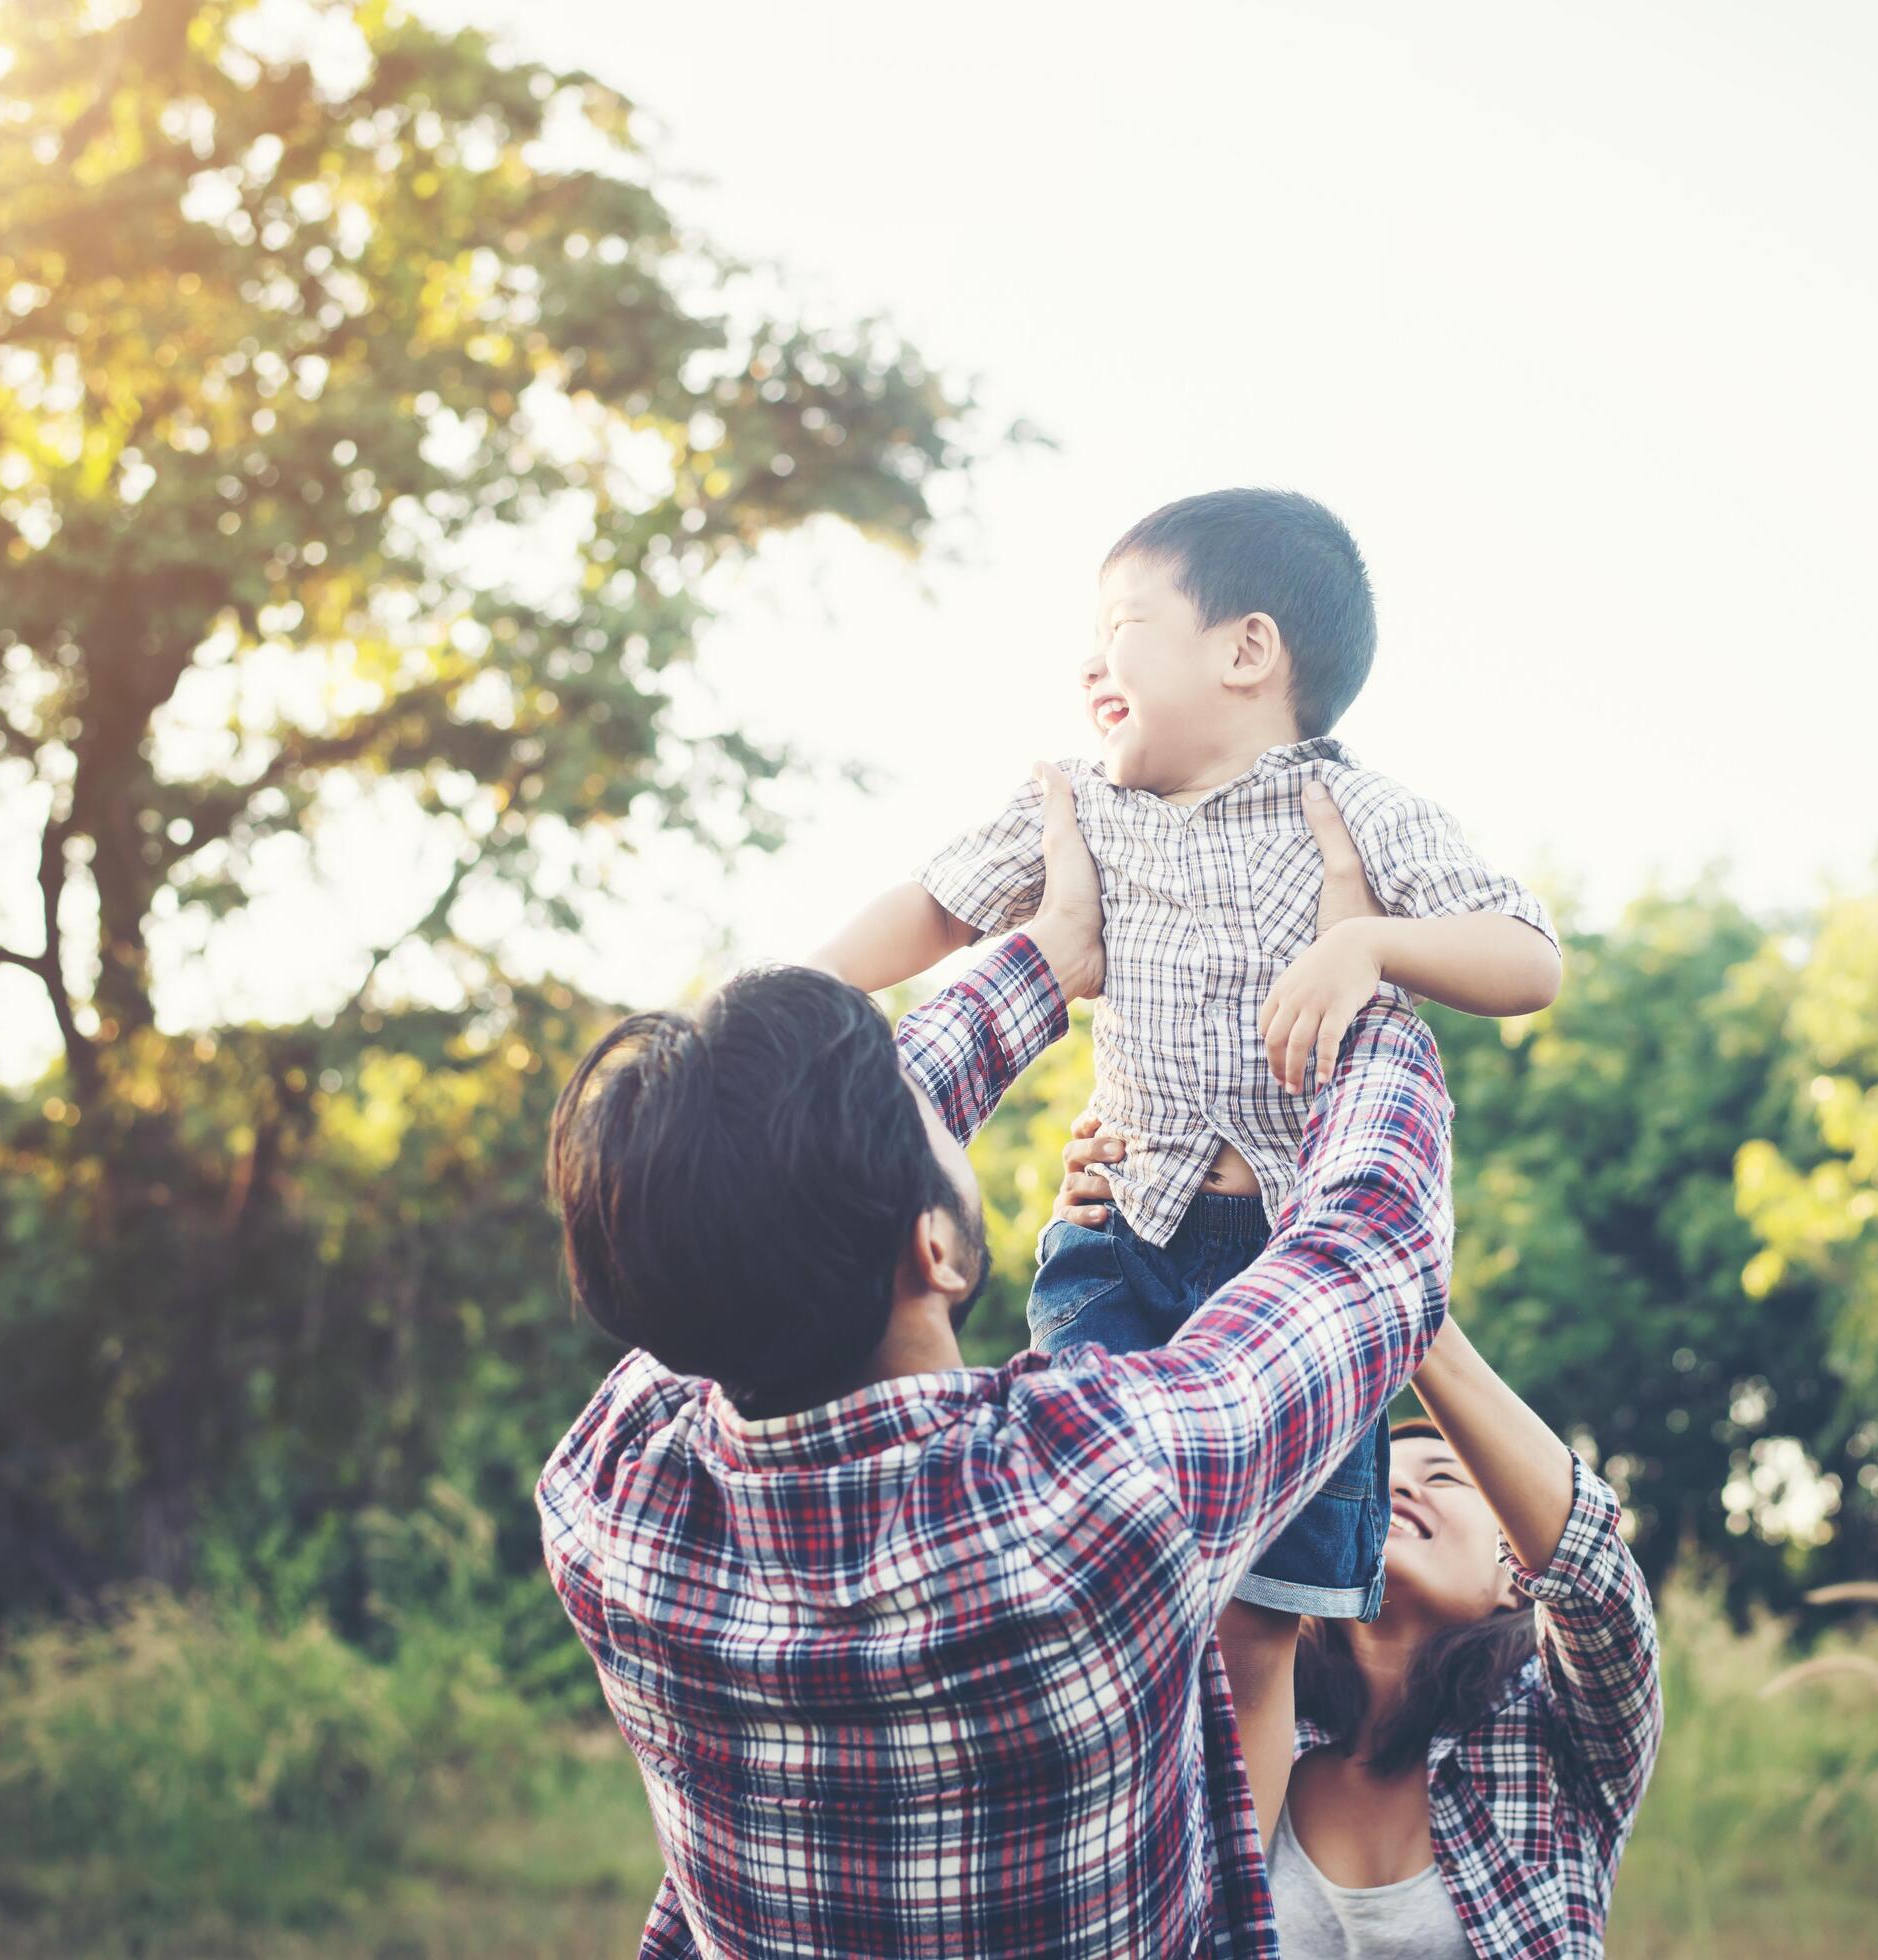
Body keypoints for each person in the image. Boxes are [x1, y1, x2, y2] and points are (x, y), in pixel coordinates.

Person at [536, 768, 1455, 1958]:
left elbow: (750, 1201)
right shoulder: (1087, 1492)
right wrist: (1358, 984)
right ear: (934, 1246)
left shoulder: (610, 1499)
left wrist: (1047, 957)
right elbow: (1369, 1248)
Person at [812, 487, 1560, 1830]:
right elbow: (934, 906)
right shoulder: (1075, 804)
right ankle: (1065, 1838)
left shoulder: (1356, 809)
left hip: (1297, 1279)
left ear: (1245, 652)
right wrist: (800, 994)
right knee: (1078, 1560)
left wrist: (1368, 945)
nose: (1089, 663)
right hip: (1130, 1238)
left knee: (1255, 1640)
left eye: (1122, 627)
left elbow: (1527, 957)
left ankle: (1225, 1910)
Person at [1043, 1182, 1666, 1960]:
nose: (1399, 1484)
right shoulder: (1247, 1707)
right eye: (1379, 1485)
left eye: (1443, 1478)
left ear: (1515, 1572)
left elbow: (1591, 1573)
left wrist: (1380, 1272)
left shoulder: (1563, 1740)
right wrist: (1117, 1233)